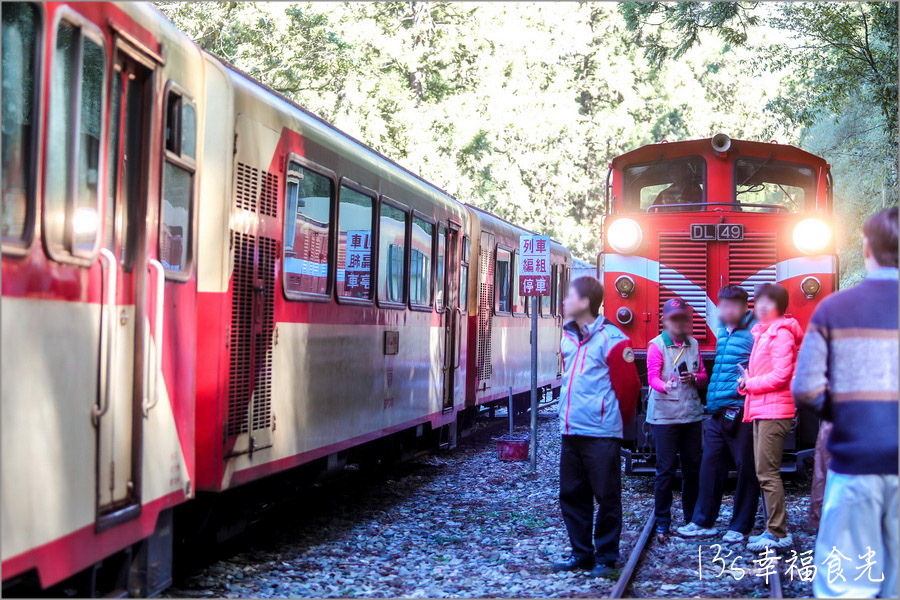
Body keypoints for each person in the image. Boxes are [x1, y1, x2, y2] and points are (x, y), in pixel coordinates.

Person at [793, 207, 899, 598]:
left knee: (847, 585)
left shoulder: (834, 309)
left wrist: (850, 414)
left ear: (867, 247)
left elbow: (805, 387)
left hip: (856, 464)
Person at [553, 276, 641, 578]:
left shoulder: (613, 339)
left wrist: (615, 421)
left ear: (585, 302)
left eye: (568, 297)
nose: (564, 302)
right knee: (572, 494)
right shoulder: (567, 336)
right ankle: (581, 553)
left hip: (601, 432)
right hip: (571, 429)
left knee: (607, 496)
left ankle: (606, 557)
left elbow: (630, 387)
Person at [677, 285, 759, 543]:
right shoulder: (723, 334)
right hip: (717, 411)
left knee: (747, 470)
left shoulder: (755, 333)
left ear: (745, 307)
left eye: (731, 306)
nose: (725, 311)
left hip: (742, 410)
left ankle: (740, 526)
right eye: (722, 306)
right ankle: (703, 521)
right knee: (710, 465)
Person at [738, 283, 803, 551]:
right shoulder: (764, 333)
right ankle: (772, 529)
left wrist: (750, 383)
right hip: (764, 408)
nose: (761, 306)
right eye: (758, 301)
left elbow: (781, 376)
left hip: (775, 410)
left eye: (768, 302)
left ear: (780, 307)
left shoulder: (780, 334)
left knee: (767, 472)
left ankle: (777, 532)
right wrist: (746, 382)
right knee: (763, 471)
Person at [646, 298, 707, 539]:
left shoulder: (693, 344)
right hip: (665, 417)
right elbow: (652, 378)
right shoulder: (656, 345)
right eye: (674, 318)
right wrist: (666, 385)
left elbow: (703, 375)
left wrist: (695, 378)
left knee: (692, 469)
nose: (679, 323)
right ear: (665, 321)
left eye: (683, 318)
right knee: (666, 471)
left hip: (691, 416)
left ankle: (691, 519)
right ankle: (662, 521)